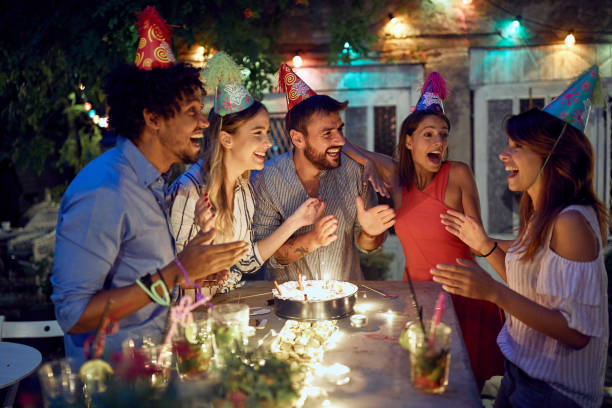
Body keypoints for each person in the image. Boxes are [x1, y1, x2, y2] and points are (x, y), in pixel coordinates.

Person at [51, 8, 248, 364]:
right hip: (113, 384)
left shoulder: (153, 183)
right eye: (191, 111)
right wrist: (178, 271)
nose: (204, 122)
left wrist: (190, 275)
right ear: (152, 119)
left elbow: (140, 280)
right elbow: (74, 314)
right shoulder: (104, 190)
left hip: (154, 368)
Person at [433, 66, 608, 408]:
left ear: (550, 156)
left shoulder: (570, 222)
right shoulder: (539, 214)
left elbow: (576, 333)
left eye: (517, 146)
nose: (503, 154)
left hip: (556, 393)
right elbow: (528, 285)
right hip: (521, 374)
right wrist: (483, 246)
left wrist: (492, 292)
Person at [342, 72, 504, 389]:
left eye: (443, 134)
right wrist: (368, 164)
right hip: (418, 300)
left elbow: (477, 241)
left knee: (463, 389)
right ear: (408, 140)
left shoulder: (458, 174)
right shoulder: (395, 177)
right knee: (421, 386)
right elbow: (345, 144)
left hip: (465, 297)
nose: (438, 142)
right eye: (428, 134)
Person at [169, 53, 322, 297]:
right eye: (258, 133)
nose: (269, 142)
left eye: (268, 132)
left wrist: (296, 221)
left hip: (223, 307)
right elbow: (174, 279)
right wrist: (204, 233)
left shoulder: (244, 190)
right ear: (226, 139)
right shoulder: (188, 191)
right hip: (186, 317)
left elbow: (247, 261)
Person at [251, 64, 395, 282]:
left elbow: (366, 246)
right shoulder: (266, 179)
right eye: (327, 133)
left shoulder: (355, 172)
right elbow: (265, 253)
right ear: (298, 139)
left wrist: (371, 233)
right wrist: (312, 240)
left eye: (340, 129)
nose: (340, 140)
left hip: (344, 302)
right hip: (286, 307)